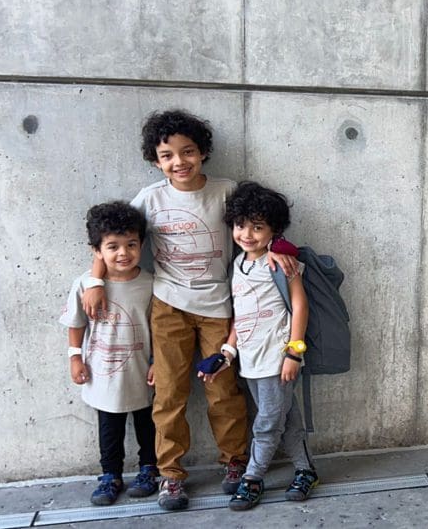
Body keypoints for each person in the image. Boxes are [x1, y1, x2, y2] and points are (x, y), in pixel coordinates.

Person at [81, 110, 298, 511]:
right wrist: (95, 281)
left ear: (203, 153)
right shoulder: (149, 199)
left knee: (223, 391)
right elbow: (112, 237)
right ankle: (171, 476)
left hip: (218, 307)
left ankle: (234, 462)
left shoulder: (225, 191)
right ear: (155, 159)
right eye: (167, 155)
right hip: (168, 307)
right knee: (169, 393)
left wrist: (281, 249)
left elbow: (261, 220)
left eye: (188, 152)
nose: (178, 162)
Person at [201, 181, 319, 510]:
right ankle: (306, 470)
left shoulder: (280, 261)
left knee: (267, 422)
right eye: (241, 225)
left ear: (273, 230)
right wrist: (228, 351)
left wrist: (295, 352)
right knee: (286, 418)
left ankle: (252, 478)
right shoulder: (237, 266)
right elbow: (242, 314)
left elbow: (300, 306)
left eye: (258, 227)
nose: (247, 234)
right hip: (250, 361)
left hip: (278, 357)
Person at [61, 201, 157, 506]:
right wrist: (75, 357)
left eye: (131, 244)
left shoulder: (151, 285)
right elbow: (76, 323)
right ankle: (110, 474)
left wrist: (158, 363)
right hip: (102, 373)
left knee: (148, 422)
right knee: (109, 427)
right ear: (97, 251)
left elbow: (162, 329)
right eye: (112, 246)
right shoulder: (85, 285)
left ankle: (148, 468)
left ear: (142, 244)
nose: (123, 253)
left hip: (143, 371)